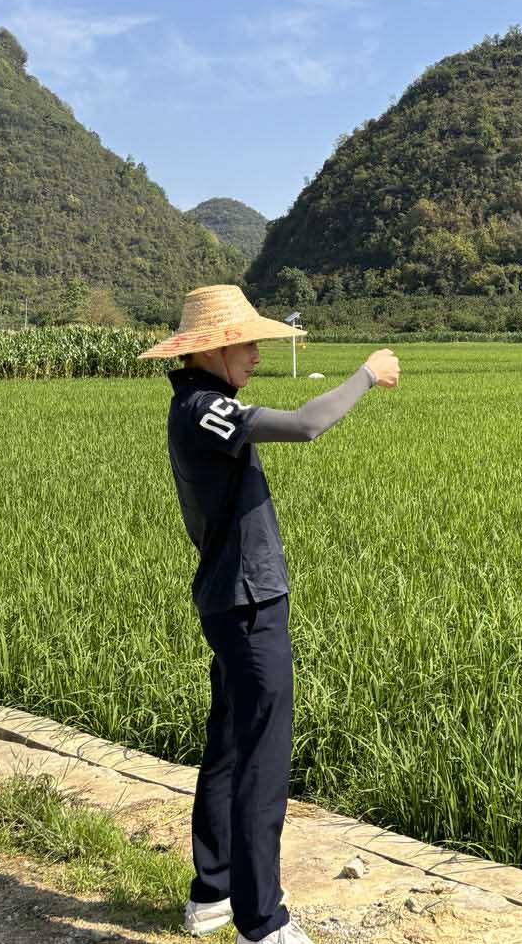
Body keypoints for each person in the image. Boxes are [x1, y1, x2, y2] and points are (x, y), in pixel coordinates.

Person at [141, 284, 399, 943]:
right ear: (217, 349)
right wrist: (367, 375)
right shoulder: (204, 410)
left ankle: (211, 894)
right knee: (262, 758)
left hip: (232, 603)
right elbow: (308, 424)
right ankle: (264, 923)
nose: (257, 354)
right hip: (248, 605)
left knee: (228, 743)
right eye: (249, 343)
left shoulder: (202, 405)